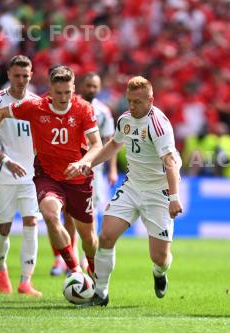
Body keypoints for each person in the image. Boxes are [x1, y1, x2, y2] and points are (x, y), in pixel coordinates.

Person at [0, 65, 102, 278]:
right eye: (58, 93)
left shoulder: (84, 109)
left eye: (68, 92)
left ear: (74, 88)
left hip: (78, 178)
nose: (63, 97)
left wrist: (82, 162)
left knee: (89, 238)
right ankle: (74, 270)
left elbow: (97, 145)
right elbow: (0, 113)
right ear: (50, 90)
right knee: (50, 215)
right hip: (48, 176)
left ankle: (94, 272)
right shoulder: (36, 107)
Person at [76, 76, 183, 306]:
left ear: (150, 101)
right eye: (129, 101)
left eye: (137, 102)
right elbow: (114, 145)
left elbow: (171, 163)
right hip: (133, 186)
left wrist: (174, 198)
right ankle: (101, 293)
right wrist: (89, 163)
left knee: (160, 258)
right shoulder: (125, 119)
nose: (131, 106)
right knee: (105, 236)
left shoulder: (158, 125)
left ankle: (159, 273)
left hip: (158, 192)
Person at [0, 55, 42, 297]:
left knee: (31, 222)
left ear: (31, 75)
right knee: (3, 227)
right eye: (17, 75)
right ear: (8, 74)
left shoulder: (37, 103)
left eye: (25, 76)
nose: (21, 80)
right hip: (2, 172)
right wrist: (6, 160)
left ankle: (26, 281)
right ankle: (0, 267)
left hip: (30, 175)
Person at [49, 72, 116, 276]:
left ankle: (90, 260)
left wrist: (112, 169)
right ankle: (70, 261)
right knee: (67, 216)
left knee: (90, 216)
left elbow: (109, 141)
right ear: (80, 86)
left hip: (94, 169)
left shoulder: (103, 111)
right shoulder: (70, 106)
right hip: (71, 167)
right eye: (88, 85)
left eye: (95, 86)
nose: (92, 89)